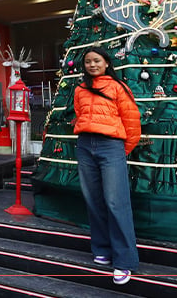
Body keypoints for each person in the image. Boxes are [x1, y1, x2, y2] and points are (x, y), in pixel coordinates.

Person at [72, 47, 141, 285]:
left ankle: (124, 261)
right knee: (93, 199)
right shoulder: (80, 89)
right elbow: (80, 114)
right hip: (85, 145)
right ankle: (102, 249)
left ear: (106, 63)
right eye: (88, 62)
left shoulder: (118, 87)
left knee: (116, 201)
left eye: (96, 61)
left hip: (111, 146)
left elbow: (132, 123)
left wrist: (120, 151)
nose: (92, 65)